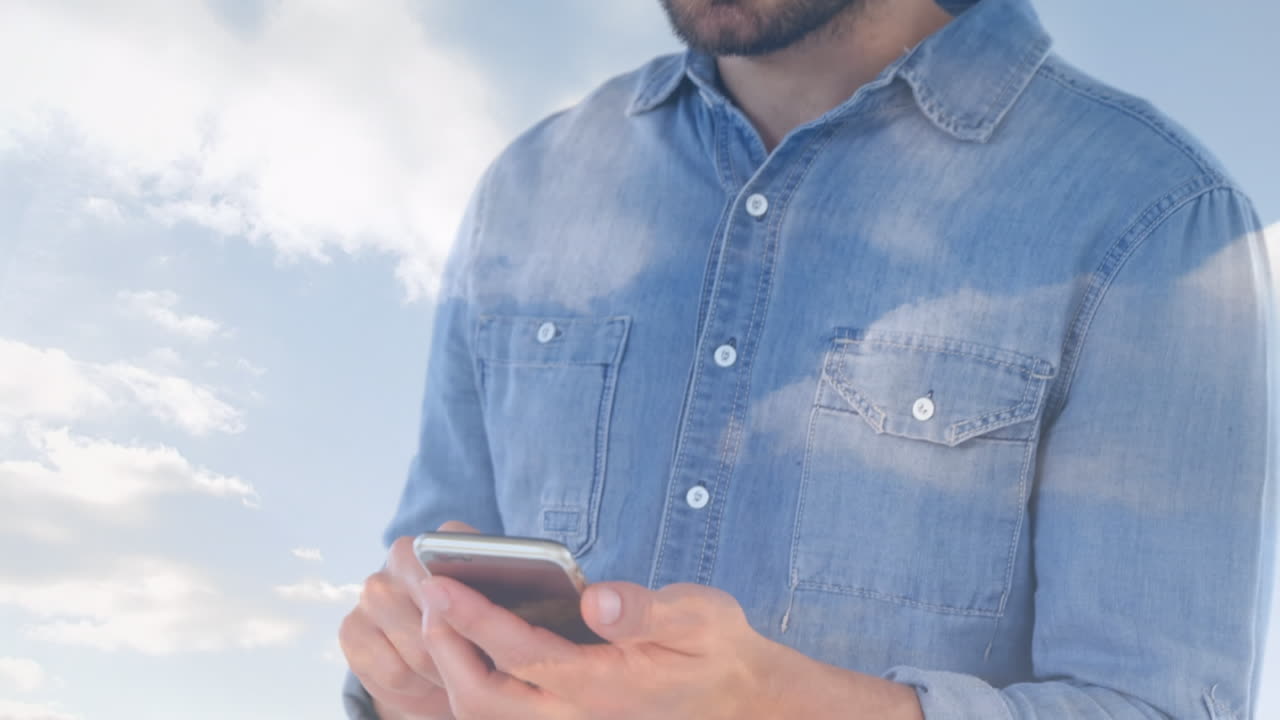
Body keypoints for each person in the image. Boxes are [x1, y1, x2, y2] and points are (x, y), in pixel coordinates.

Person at [339, 0, 1274, 717]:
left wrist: (786, 706)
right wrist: (413, 687)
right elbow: (425, 592)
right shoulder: (529, 188)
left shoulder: (1156, 219)